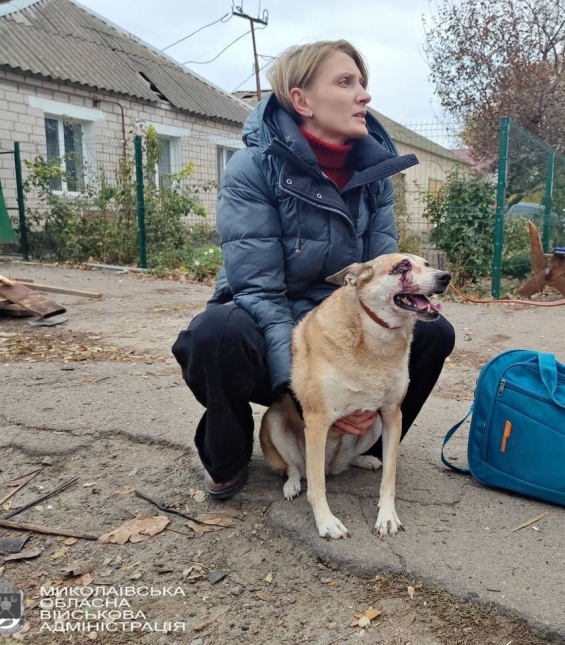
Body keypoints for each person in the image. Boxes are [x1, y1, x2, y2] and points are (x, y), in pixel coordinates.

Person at [171, 40, 456, 499]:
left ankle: (369, 439)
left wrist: (372, 386)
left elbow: (384, 283)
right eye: (346, 82)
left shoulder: (376, 173)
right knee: (214, 332)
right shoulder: (252, 168)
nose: (364, 95)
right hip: (267, 320)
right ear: (301, 100)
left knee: (434, 332)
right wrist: (308, 393)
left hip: (338, 320)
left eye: (363, 83)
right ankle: (227, 455)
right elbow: (259, 292)